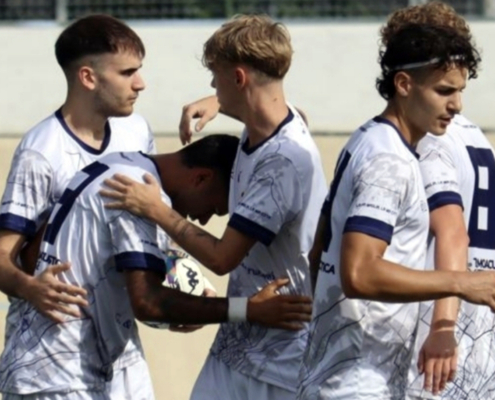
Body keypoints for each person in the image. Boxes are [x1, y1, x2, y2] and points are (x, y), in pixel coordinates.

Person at [100, 14, 327, 400]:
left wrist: (157, 210)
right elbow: (286, 107)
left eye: (215, 78)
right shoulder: (272, 125)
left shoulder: (283, 162)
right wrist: (221, 102)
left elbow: (222, 258)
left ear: (239, 78)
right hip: (237, 350)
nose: (211, 86)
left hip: (281, 360)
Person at [0, 135, 313, 400]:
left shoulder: (121, 164)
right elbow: (148, 302)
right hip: (60, 378)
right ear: (202, 178)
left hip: (49, 368)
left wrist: (179, 306)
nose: (205, 219)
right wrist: (248, 310)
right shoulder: (135, 192)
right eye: (215, 208)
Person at [296, 23, 495, 400]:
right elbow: (359, 272)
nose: (457, 105)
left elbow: (319, 253)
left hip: (346, 376)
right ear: (403, 84)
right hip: (356, 385)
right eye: (444, 91)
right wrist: (461, 282)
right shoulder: (389, 160)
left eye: (460, 91)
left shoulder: (371, 139)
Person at [0, 13, 156, 400]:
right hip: (50, 369)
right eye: (127, 72)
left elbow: (142, 235)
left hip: (122, 359)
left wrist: (177, 286)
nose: (140, 83)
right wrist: (30, 287)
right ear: (88, 77)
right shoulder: (41, 152)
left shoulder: (137, 132)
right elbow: (3, 255)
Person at [380, 3, 495, 399]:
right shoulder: (476, 137)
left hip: (439, 343)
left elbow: (452, 233)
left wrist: (442, 328)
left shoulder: (431, 139)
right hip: (481, 337)